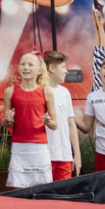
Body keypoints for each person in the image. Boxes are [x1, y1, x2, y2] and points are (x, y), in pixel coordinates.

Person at [2, 51, 56, 188]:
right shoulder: (10, 91)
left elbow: (55, 124)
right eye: (23, 64)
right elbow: (4, 123)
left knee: (41, 187)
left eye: (30, 65)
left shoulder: (46, 92)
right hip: (19, 145)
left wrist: (48, 121)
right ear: (18, 68)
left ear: (39, 70)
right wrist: (8, 120)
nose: (26, 67)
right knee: (18, 186)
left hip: (39, 146)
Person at [42, 51, 80, 180]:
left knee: (62, 197)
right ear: (51, 68)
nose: (66, 71)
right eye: (63, 67)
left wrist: (77, 154)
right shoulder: (39, 91)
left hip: (65, 155)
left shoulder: (65, 93)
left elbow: (71, 123)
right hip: (44, 155)